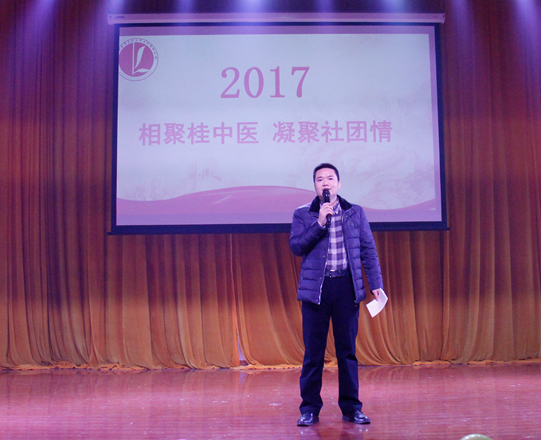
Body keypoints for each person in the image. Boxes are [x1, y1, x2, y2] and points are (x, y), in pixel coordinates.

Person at [289, 163, 384, 426]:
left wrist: (375, 283)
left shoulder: (355, 212)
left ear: (339, 184)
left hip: (346, 287)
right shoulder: (303, 214)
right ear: (315, 186)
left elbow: (368, 249)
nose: (325, 183)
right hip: (316, 290)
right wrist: (320, 222)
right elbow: (296, 246)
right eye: (320, 179)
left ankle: (352, 408)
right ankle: (309, 409)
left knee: (347, 352)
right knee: (313, 354)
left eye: (330, 178)